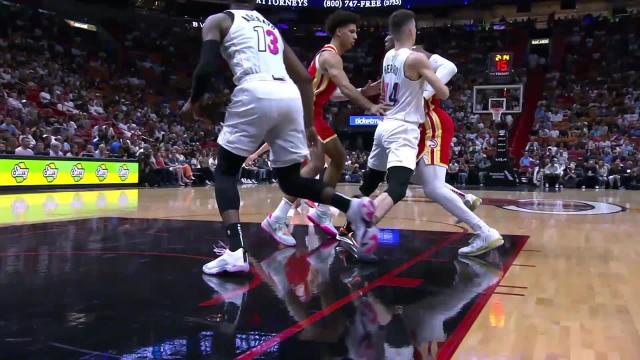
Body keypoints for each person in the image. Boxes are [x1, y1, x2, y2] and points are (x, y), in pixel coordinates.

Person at [180, 0, 379, 275]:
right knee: (292, 180)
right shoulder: (271, 27)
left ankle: (237, 250)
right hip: (288, 97)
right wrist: (308, 124)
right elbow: (304, 80)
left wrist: (193, 102)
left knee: (226, 172)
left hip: (254, 89)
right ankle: (351, 206)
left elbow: (206, 66)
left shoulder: (219, 20)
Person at [339, 33, 499, 258]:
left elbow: (450, 67)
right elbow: (381, 87)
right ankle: (462, 198)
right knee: (403, 176)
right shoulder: (392, 59)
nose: (385, 36)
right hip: (409, 126)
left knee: (431, 187)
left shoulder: (416, 54)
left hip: (430, 122)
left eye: (390, 31)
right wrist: (363, 92)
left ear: (401, 32)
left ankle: (485, 231)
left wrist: (425, 94)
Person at [247, 10, 387, 247]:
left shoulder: (329, 57)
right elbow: (344, 85)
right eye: (352, 31)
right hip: (305, 113)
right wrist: (369, 105)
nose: (355, 37)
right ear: (339, 31)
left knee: (336, 158)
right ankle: (280, 218)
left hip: (312, 112)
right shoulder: (331, 57)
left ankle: (316, 211)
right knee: (317, 164)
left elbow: (335, 94)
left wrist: (364, 92)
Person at [336, 9, 450, 261]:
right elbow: (443, 93)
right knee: (397, 189)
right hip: (404, 129)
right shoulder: (417, 59)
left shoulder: (388, 56)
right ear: (411, 30)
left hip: (384, 127)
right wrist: (431, 80)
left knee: (369, 184)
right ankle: (362, 231)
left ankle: (346, 230)